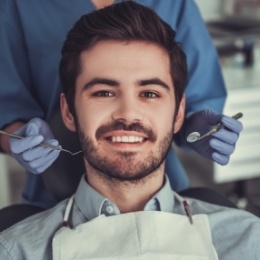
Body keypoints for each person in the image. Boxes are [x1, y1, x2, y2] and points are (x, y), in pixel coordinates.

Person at [0, 3, 257, 259]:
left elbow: (197, 96)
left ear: (178, 112)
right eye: (104, 92)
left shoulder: (246, 239)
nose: (128, 113)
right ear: (68, 111)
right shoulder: (17, 250)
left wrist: (194, 123)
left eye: (149, 93)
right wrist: (14, 135)